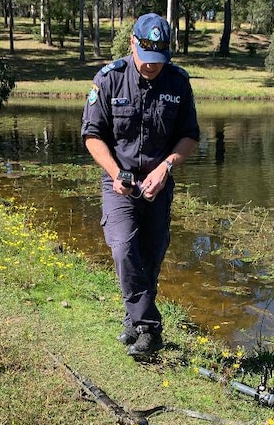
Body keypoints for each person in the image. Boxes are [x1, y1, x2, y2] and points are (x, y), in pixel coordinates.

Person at [81, 13, 200, 358]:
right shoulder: (109, 79)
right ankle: (150, 330)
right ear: (132, 43)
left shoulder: (178, 82)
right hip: (118, 181)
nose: (151, 67)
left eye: (159, 61)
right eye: (146, 60)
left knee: (149, 257)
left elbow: (189, 136)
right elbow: (92, 135)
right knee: (122, 247)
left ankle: (133, 322)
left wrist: (165, 168)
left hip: (158, 185)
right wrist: (116, 172)